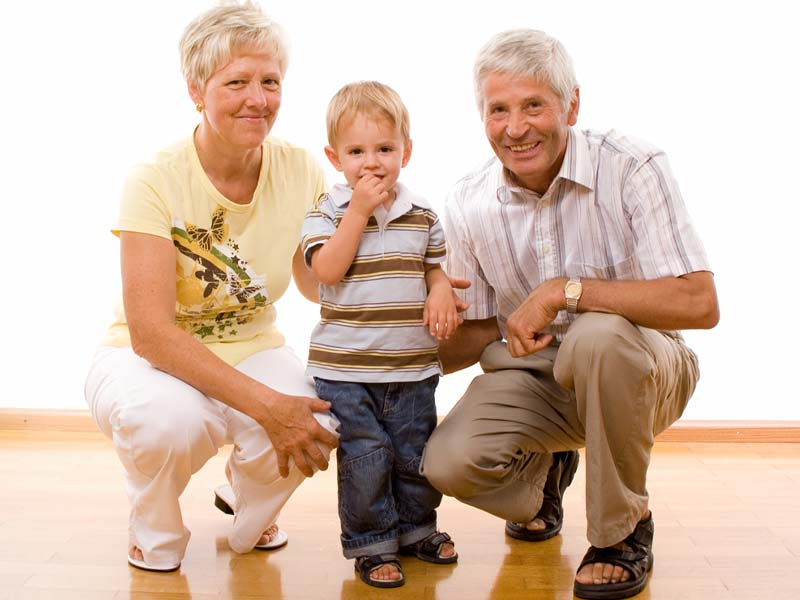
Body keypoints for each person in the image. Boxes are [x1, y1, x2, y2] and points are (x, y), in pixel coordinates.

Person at [420, 29, 719, 600]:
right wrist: (405, 312)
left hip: (646, 367)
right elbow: (476, 334)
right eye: (498, 110)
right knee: (447, 464)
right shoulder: (466, 201)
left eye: (534, 105)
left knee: (598, 336)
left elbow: (699, 303)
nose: (516, 128)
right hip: (540, 376)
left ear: (572, 105)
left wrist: (564, 291)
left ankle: (621, 533)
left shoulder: (632, 166)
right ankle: (545, 474)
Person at [83, 2, 339, 572]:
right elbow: (151, 333)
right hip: (144, 356)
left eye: (270, 82)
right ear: (197, 90)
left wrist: (396, 284)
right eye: (237, 82)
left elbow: (310, 280)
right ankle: (153, 527)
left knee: (319, 421)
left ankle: (245, 505)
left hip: (252, 344)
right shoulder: (153, 177)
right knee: (174, 423)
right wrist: (269, 408)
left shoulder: (301, 168)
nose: (259, 99)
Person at [300, 81, 459, 588]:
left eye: (385, 149)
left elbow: (432, 268)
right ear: (335, 157)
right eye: (357, 151)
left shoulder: (423, 215)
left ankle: (417, 529)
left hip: (411, 364)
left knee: (414, 453)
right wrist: (357, 212)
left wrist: (437, 289)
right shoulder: (327, 211)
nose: (372, 163)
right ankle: (371, 543)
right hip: (345, 370)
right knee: (366, 456)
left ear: (405, 152)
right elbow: (326, 269)